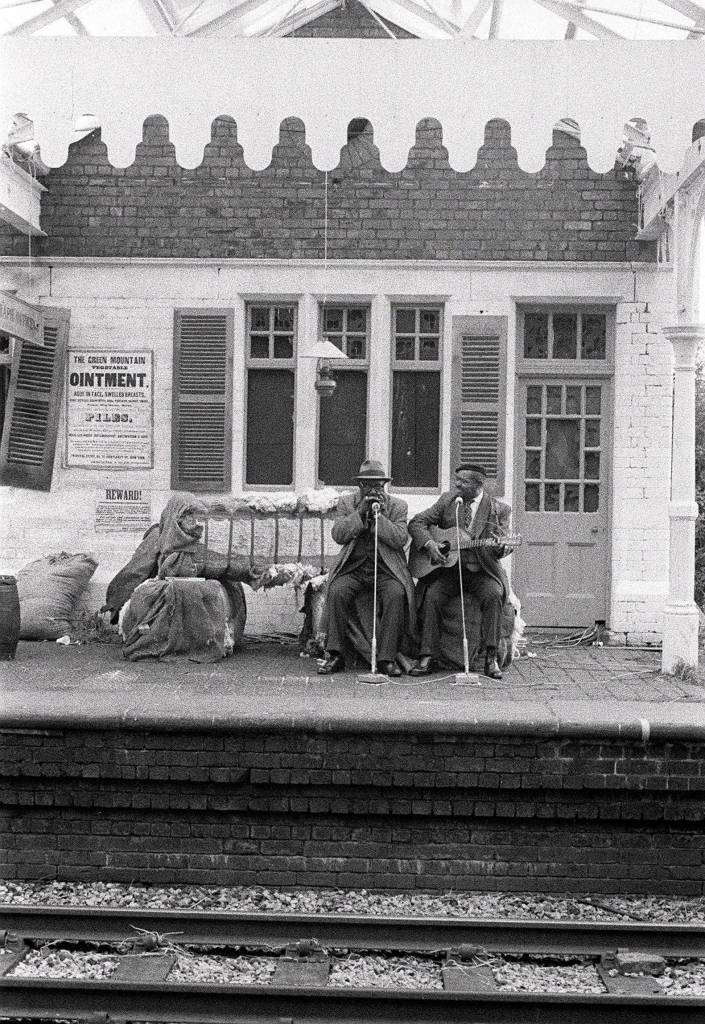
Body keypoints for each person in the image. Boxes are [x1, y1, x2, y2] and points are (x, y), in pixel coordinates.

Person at [408, 464, 511, 679]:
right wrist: (429, 544)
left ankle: (491, 657)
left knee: (493, 594)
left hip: (481, 570)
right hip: (449, 571)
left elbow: (502, 545)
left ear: (478, 485)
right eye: (457, 480)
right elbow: (417, 522)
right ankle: (427, 656)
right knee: (432, 596)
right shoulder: (448, 500)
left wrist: (502, 546)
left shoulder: (498, 509)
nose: (457, 484)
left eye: (463, 482)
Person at [318, 459, 416, 677]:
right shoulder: (346, 503)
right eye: (368, 485)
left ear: (385, 485)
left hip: (385, 569)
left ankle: (386, 658)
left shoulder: (398, 506)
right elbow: (338, 535)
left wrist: (379, 518)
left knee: (396, 594)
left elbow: (400, 539)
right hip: (353, 568)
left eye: (378, 485)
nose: (373, 490)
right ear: (359, 485)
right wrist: (360, 514)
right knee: (337, 591)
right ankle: (335, 654)